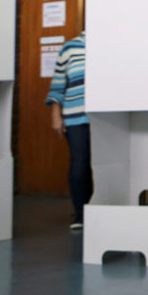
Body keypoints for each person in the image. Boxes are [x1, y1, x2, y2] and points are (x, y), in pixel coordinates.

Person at [45, 30, 93, 230]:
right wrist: (56, 114)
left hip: (107, 117)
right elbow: (58, 84)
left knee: (104, 163)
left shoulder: (113, 44)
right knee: (79, 162)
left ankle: (98, 209)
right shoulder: (70, 47)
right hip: (75, 114)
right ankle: (80, 214)